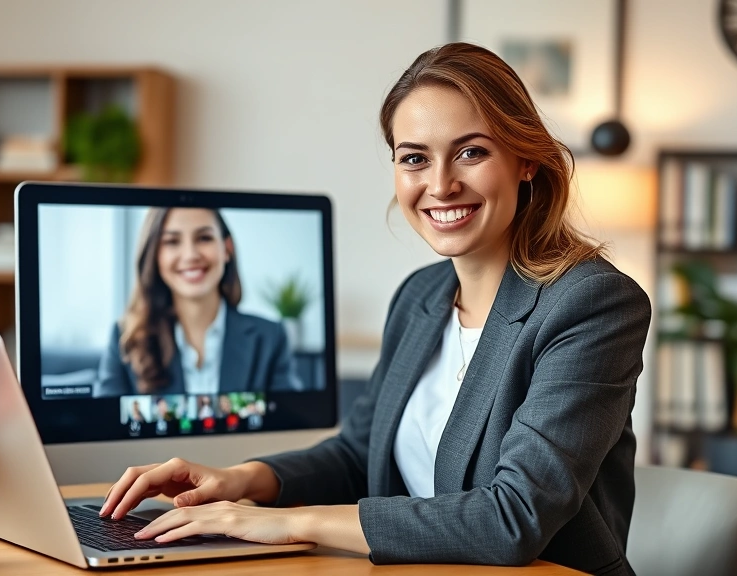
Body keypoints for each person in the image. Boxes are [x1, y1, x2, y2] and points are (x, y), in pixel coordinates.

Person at [99, 43, 650, 574]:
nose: (441, 184)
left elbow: (513, 518)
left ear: (525, 160)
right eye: (415, 159)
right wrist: (239, 481)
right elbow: (357, 455)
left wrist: (290, 523)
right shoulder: (420, 297)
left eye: (471, 152)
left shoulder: (592, 304)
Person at [93, 207, 304, 397]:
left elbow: (291, 424)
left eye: (204, 238)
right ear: (155, 255)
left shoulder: (270, 338)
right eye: (172, 242)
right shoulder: (124, 340)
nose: (191, 255)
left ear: (227, 249)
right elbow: (104, 431)